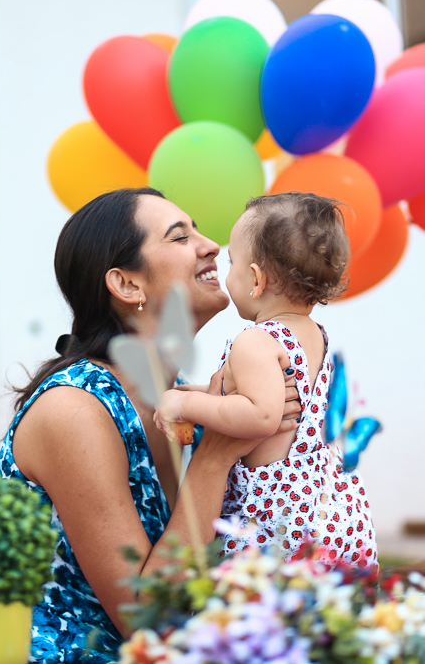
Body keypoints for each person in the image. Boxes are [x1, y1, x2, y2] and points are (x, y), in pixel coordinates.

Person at [0, 188, 301, 663]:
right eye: (180, 237)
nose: (211, 246)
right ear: (128, 285)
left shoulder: (187, 402)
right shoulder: (75, 410)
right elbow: (144, 618)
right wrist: (217, 454)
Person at [154, 193, 376, 568]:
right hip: (332, 509)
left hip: (279, 518)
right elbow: (242, 398)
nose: (226, 274)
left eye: (232, 263)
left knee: (251, 612)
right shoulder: (315, 335)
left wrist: (183, 404)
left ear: (255, 278)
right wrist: (197, 394)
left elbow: (260, 416)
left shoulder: (257, 341)